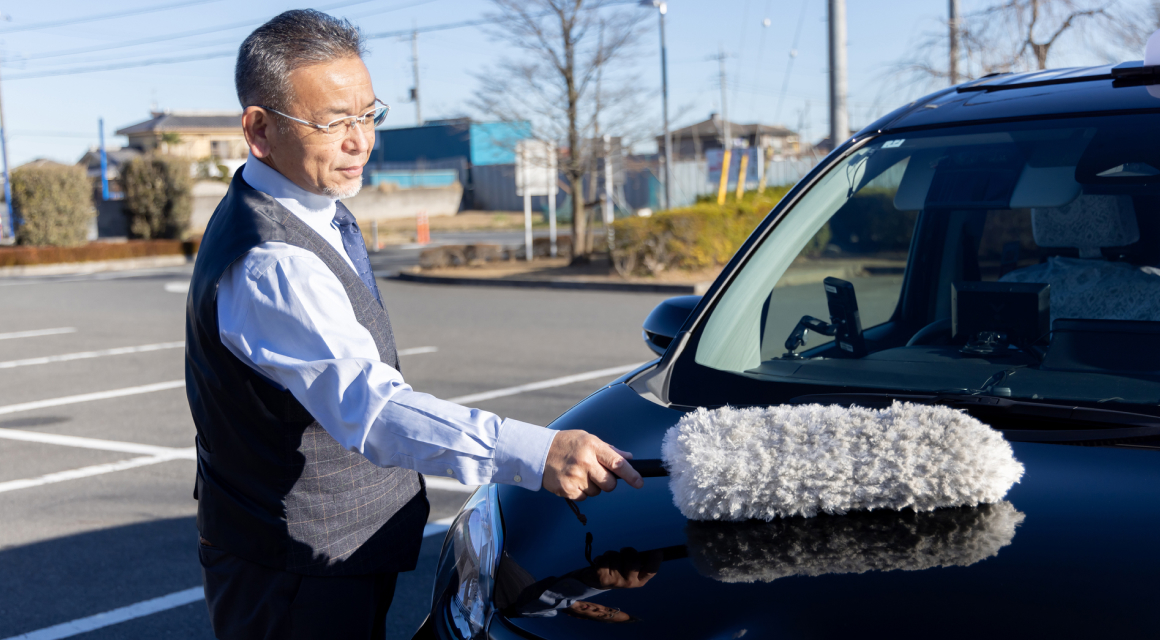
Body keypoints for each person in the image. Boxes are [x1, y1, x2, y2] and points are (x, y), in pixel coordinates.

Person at [184, 9, 642, 639]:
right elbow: (370, 409)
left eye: (369, 114)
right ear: (259, 130)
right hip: (292, 570)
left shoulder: (307, 208)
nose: (360, 140)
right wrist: (535, 454)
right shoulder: (272, 262)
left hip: (328, 551)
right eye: (334, 122)